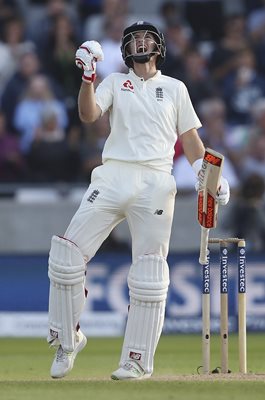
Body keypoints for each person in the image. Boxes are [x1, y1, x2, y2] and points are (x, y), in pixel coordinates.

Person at [46, 21, 230, 381]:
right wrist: (87, 78)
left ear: (158, 47)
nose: (139, 43)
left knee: (149, 272)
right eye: (133, 39)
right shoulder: (115, 81)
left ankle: (137, 360)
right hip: (113, 175)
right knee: (66, 256)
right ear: (126, 50)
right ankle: (67, 341)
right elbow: (89, 115)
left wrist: (207, 178)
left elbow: (190, 139)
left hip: (156, 182)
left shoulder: (175, 88)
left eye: (146, 38)